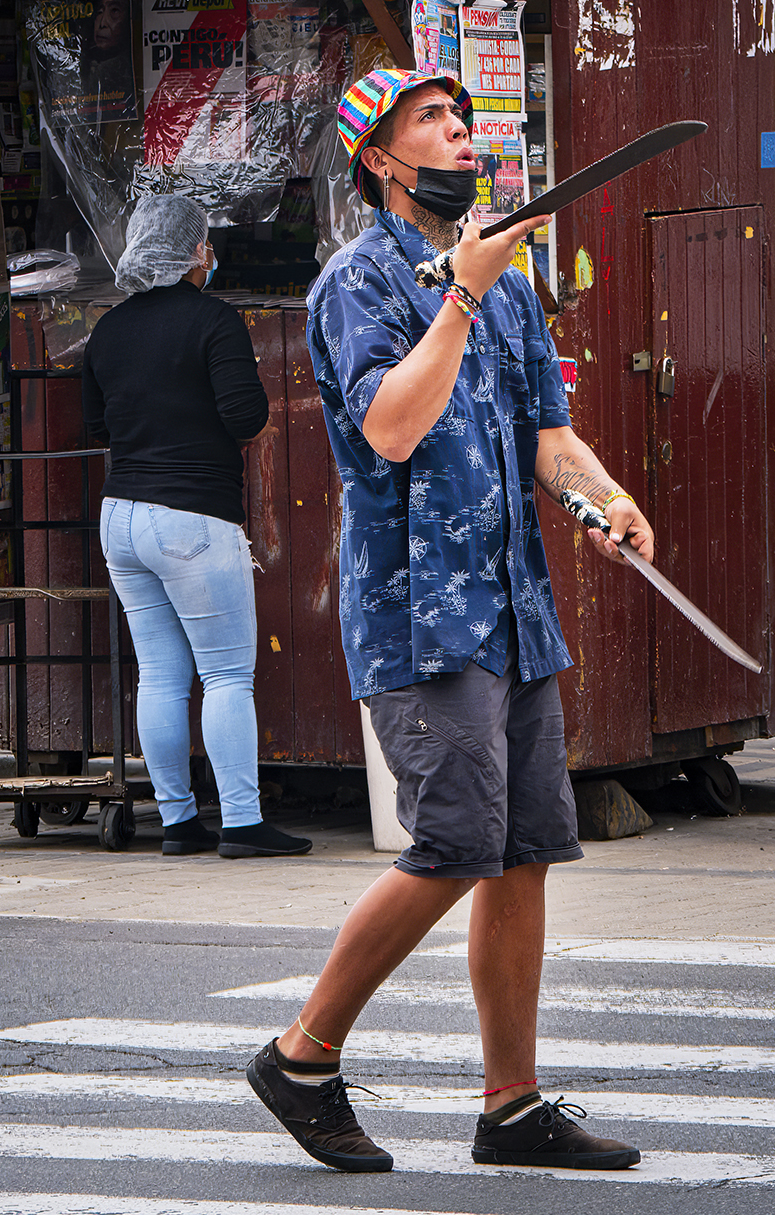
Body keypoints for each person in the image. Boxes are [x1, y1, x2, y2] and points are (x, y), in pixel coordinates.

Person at [245, 67, 652, 1176]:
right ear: (377, 158)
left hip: (513, 607)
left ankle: (509, 1105)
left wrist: (604, 497)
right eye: (430, 119)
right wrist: (460, 294)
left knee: (521, 853)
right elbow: (387, 426)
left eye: (461, 118)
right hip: (420, 615)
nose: (458, 132)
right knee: (456, 841)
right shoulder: (358, 280)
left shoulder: (511, 282)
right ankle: (301, 1052)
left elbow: (546, 436)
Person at [83, 193, 310, 860]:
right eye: (207, 243)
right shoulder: (215, 320)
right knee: (227, 675)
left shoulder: (109, 329)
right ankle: (241, 822)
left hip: (121, 517)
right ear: (193, 252)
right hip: (192, 518)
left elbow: (100, 426)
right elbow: (245, 416)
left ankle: (179, 822)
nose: (211, 253)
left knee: (159, 674)